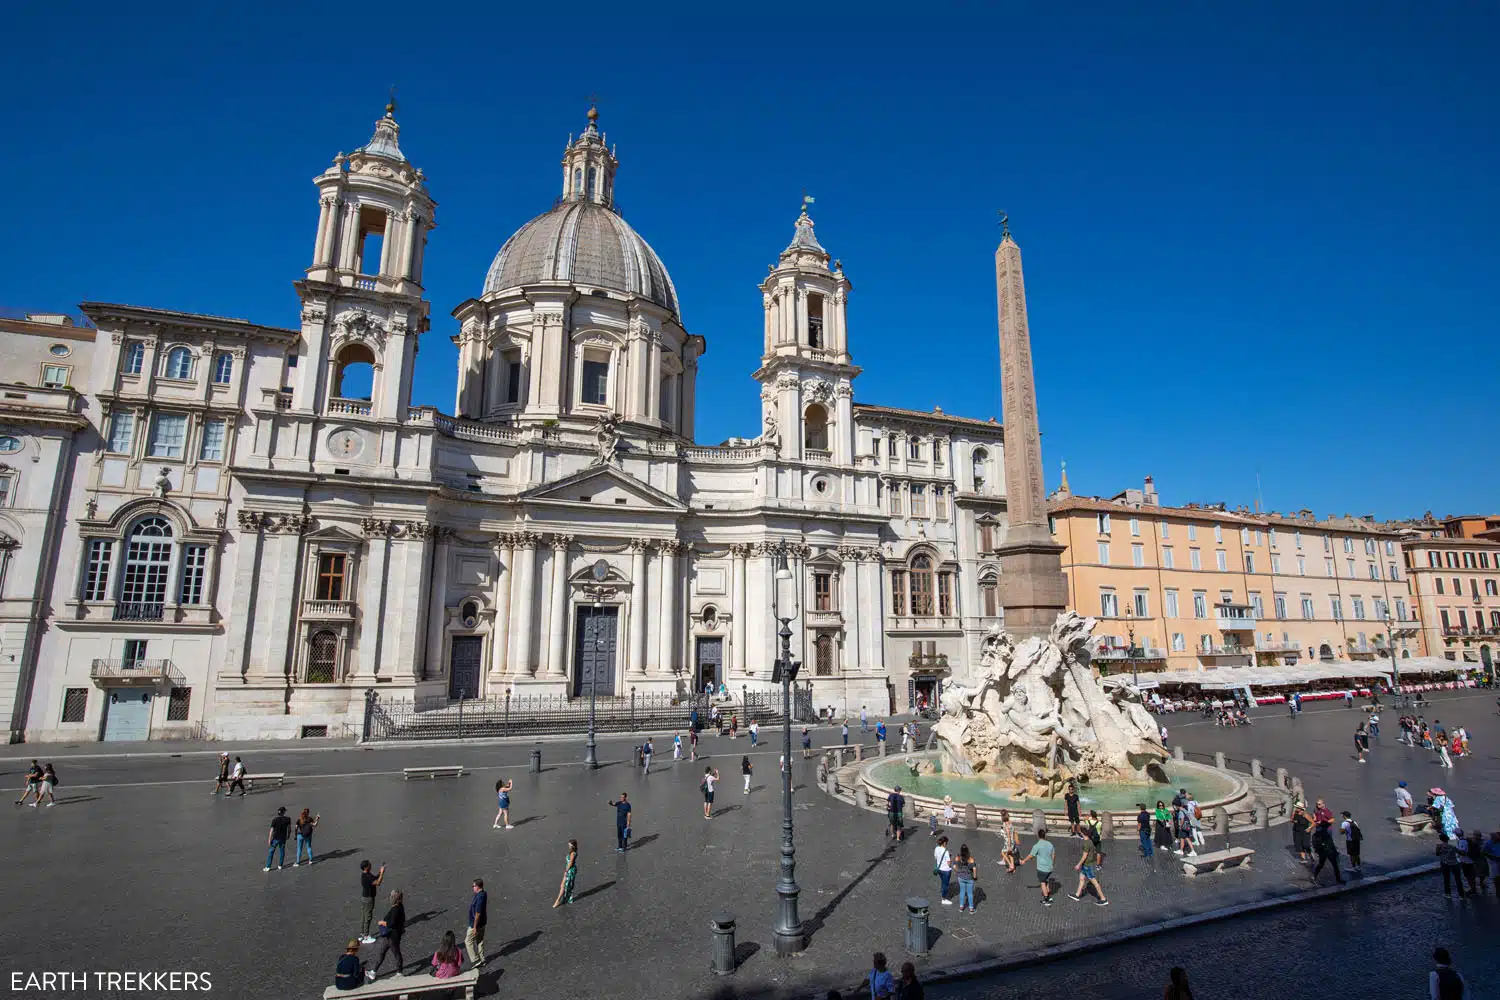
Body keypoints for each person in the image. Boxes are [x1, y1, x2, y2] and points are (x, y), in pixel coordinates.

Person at [367, 888, 406, 980]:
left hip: (392, 936)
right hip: (390, 936)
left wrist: (382, 923)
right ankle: (373, 971)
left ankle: (399, 972)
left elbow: (391, 923)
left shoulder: (396, 909)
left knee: (396, 954)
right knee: (382, 952)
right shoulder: (400, 906)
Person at [1070, 834, 1109, 905]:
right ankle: (1077, 895)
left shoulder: (1086, 844)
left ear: (1083, 834)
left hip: (1087, 866)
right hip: (1086, 865)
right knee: (1081, 878)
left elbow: (1084, 856)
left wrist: (1078, 864)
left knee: (1094, 882)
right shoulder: (1090, 841)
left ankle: (1103, 899)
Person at [1021, 828, 1057, 904]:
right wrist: (1052, 863)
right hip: (1049, 868)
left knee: (1042, 883)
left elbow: (1031, 855)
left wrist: (1024, 860)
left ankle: (1046, 899)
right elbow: (1053, 855)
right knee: (1045, 880)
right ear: (1045, 836)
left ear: (1038, 836)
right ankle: (1047, 892)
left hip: (1042, 868)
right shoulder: (1050, 844)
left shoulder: (1037, 845)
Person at [358, 861, 386, 942]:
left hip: (364, 898)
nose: (371, 865)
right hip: (369, 899)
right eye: (369, 865)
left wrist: (379, 872)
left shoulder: (366, 874)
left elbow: (374, 878)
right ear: (366, 867)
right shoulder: (367, 876)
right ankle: (366, 936)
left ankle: (363, 934)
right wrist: (382, 874)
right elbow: (378, 883)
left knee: (364, 916)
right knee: (368, 917)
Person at [1311, 817, 1344, 885]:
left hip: (1327, 852)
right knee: (1332, 865)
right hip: (1326, 852)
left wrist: (1334, 851)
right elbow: (1329, 843)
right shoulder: (1320, 834)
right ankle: (1338, 880)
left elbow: (1330, 843)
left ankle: (1314, 876)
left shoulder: (1319, 834)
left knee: (1324, 865)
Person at [465, 879, 487, 968]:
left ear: (477, 887)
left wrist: (474, 927)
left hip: (476, 924)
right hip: (483, 923)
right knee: (479, 941)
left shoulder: (479, 897)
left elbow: (477, 913)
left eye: (473, 886)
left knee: (468, 941)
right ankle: (482, 960)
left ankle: (475, 960)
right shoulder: (483, 894)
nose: (472, 888)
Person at [264, 806, 292, 871]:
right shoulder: (288, 819)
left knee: (271, 852)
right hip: (283, 838)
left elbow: (271, 830)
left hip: (275, 838)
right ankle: (280, 865)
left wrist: (269, 839)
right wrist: (288, 835)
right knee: (282, 852)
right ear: (284, 812)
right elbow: (289, 828)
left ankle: (268, 866)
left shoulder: (275, 820)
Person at [953, 844, 978, 913]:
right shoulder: (970, 858)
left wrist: (958, 872)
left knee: (962, 892)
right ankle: (971, 909)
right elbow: (974, 869)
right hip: (969, 878)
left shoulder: (958, 857)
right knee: (970, 893)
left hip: (961, 877)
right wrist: (975, 877)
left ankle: (961, 907)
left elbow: (954, 867)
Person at [553, 839, 578, 907]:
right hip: (568, 870)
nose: (568, 846)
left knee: (564, 885)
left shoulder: (573, 853)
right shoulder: (571, 852)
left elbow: (570, 863)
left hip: (570, 870)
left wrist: (566, 871)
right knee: (562, 885)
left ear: (573, 845)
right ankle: (563, 898)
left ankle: (557, 901)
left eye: (570, 845)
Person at [933, 836, 953, 904]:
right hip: (946, 870)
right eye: (946, 843)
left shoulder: (936, 848)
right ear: (944, 843)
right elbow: (949, 863)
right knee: (946, 884)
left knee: (942, 881)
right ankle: (944, 899)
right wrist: (950, 857)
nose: (947, 844)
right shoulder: (946, 851)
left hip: (939, 869)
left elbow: (935, 858)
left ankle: (942, 890)